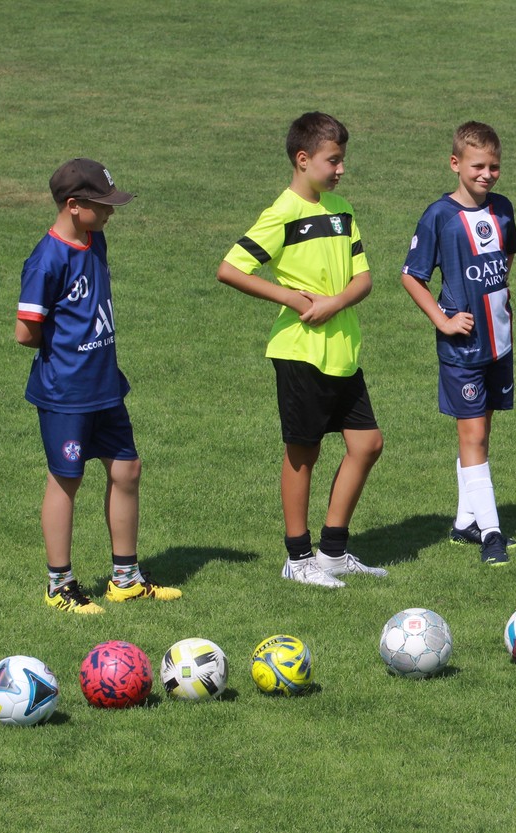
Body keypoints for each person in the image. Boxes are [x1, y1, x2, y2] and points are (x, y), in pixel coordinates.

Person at [218, 112, 388, 588]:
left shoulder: (341, 210)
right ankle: (297, 558)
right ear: (303, 159)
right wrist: (292, 298)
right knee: (303, 452)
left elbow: (364, 278)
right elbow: (231, 269)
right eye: (333, 160)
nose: (340, 169)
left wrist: (335, 302)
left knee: (368, 444)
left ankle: (332, 552)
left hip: (343, 350)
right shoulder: (283, 213)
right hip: (299, 351)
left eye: (342, 160)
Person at [17, 158, 182, 614]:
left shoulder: (95, 239)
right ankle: (59, 585)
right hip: (66, 393)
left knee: (127, 470)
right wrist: (68, 346)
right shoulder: (46, 261)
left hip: (105, 385)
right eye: (102, 204)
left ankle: (125, 579)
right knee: (66, 479)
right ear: (73, 205)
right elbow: (25, 331)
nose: (110, 211)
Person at [401, 122, 516, 567]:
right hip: (463, 348)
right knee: (472, 435)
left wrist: (501, 294)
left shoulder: (502, 208)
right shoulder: (439, 216)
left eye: (494, 167)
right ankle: (492, 534)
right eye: (477, 166)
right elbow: (411, 276)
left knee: (481, 435)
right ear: (455, 164)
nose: (487, 174)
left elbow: (507, 254)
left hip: (499, 341)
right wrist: (443, 319)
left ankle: (464, 522)